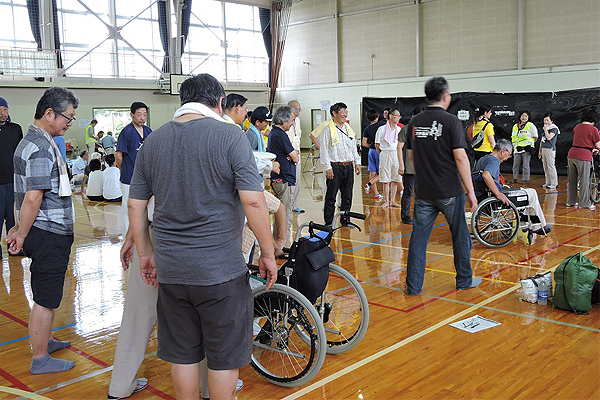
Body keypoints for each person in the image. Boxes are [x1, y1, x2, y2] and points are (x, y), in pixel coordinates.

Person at [127, 73, 277, 400]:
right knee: (223, 356)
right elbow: (253, 200)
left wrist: (146, 253)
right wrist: (268, 251)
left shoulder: (153, 140)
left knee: (183, 354)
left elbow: (136, 205)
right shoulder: (230, 136)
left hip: (171, 271)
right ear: (220, 102)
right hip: (220, 271)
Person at [8, 86, 79, 374]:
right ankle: (40, 359)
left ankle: (46, 341)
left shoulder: (36, 140)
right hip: (48, 232)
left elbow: (22, 194)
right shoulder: (39, 147)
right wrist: (21, 233)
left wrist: (17, 226)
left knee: (45, 291)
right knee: (46, 298)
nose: (69, 123)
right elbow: (33, 197)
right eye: (67, 117)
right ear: (49, 113)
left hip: (44, 229)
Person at [405, 77, 481, 295]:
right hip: (449, 191)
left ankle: (413, 287)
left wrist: (424, 180)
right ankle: (464, 280)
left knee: (418, 240)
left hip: (424, 191)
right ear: (446, 97)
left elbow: (412, 157)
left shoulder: (415, 122)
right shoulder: (451, 121)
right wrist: (471, 192)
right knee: (460, 237)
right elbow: (460, 158)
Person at [109, 101, 152, 399]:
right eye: (139, 113)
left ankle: (121, 385)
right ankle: (207, 386)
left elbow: (141, 206)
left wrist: (132, 240)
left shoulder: (156, 137)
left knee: (137, 316)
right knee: (197, 319)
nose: (142, 117)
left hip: (150, 237)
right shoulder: (223, 138)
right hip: (192, 250)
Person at [474, 140, 551, 235]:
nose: (508, 158)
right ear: (503, 151)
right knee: (532, 193)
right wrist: (498, 194)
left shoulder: (483, 159)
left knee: (524, 193)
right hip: (496, 197)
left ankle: (525, 222)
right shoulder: (494, 160)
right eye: (509, 154)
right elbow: (486, 175)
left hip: (483, 195)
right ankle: (537, 226)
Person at [320, 102, 361, 226]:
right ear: (334, 113)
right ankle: (328, 222)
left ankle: (345, 220)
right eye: (343, 112)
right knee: (331, 197)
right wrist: (327, 167)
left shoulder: (348, 129)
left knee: (347, 196)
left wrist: (357, 162)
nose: (345, 115)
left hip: (348, 166)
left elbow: (353, 147)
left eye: (346, 112)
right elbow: (324, 150)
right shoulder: (327, 130)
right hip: (335, 167)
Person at [116, 102, 152, 232]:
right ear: (132, 115)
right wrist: (123, 170)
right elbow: (118, 155)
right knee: (128, 210)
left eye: (144, 114)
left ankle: (143, 238)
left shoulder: (149, 131)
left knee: (146, 209)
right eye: (139, 114)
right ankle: (127, 240)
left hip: (146, 178)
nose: (142, 117)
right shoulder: (126, 132)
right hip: (129, 178)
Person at [267, 106, 299, 245]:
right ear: (284, 119)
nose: (292, 124)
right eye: (292, 120)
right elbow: (295, 157)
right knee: (285, 217)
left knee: (281, 215)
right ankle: (282, 247)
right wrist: (292, 155)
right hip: (284, 180)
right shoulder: (280, 134)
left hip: (282, 179)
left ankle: (278, 245)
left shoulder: (275, 133)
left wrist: (292, 155)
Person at [0, 96, 24, 259]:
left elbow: (21, 153)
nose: (2, 113)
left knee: (13, 217)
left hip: (13, 181)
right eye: (0, 110)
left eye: (5, 109)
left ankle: (13, 246)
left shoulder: (15, 129)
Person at [566, 109, 600, 210]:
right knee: (584, 180)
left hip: (572, 154)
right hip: (584, 156)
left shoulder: (577, 127)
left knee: (572, 180)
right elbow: (598, 145)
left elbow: (581, 141)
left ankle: (571, 201)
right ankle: (585, 203)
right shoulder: (593, 129)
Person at [398, 106, 422, 225]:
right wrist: (401, 165)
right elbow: (399, 148)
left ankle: (419, 216)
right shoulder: (406, 129)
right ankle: (405, 216)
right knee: (408, 192)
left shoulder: (422, 130)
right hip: (409, 166)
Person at [375, 108, 403, 208]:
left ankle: (393, 201)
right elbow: (377, 145)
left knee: (395, 179)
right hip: (385, 153)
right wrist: (382, 154)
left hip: (395, 153)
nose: (399, 118)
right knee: (385, 179)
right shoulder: (381, 129)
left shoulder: (399, 129)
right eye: (397, 115)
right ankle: (386, 201)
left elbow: (401, 144)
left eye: (400, 116)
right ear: (390, 116)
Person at [288, 100, 305, 214]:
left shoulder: (297, 120)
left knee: (297, 182)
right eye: (297, 109)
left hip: (297, 155)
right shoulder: (284, 120)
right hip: (288, 156)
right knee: (289, 183)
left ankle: (294, 205)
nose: (299, 111)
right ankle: (288, 205)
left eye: (300, 109)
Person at [362, 109, 383, 202]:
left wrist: (371, 146)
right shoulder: (382, 126)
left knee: (372, 173)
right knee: (383, 173)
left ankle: (377, 194)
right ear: (377, 116)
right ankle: (369, 184)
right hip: (379, 151)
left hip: (371, 151)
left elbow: (363, 143)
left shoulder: (367, 129)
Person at [511, 110, 538, 183]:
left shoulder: (530, 125)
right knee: (515, 165)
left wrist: (528, 145)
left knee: (525, 165)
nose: (524, 117)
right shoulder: (515, 126)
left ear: (528, 117)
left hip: (526, 149)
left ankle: (525, 180)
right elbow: (513, 137)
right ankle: (514, 178)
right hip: (517, 148)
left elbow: (535, 137)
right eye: (522, 115)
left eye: (526, 116)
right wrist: (515, 146)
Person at [538, 113, 560, 189]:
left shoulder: (554, 128)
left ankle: (554, 183)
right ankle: (548, 182)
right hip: (544, 149)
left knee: (551, 166)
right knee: (545, 167)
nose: (545, 122)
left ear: (552, 121)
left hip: (550, 149)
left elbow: (549, 138)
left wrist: (546, 130)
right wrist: (540, 151)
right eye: (544, 120)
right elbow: (541, 140)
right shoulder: (544, 128)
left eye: (547, 120)